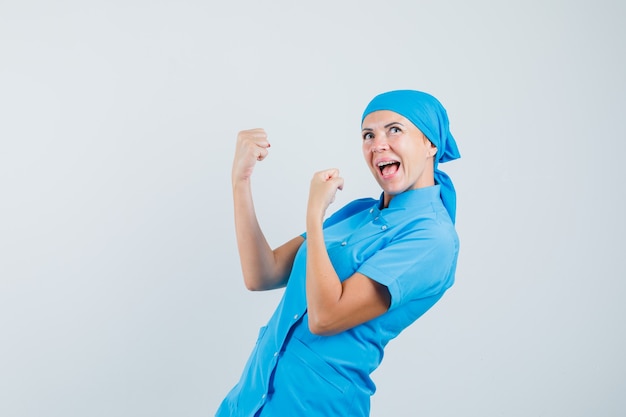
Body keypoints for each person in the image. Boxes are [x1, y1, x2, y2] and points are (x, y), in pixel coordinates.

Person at [216, 89, 461, 416]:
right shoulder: (360, 212)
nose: (378, 145)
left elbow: (326, 317)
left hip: (313, 406)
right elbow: (263, 273)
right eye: (368, 135)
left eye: (395, 130)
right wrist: (240, 179)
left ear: (431, 143)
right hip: (251, 398)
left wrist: (314, 218)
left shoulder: (433, 239)